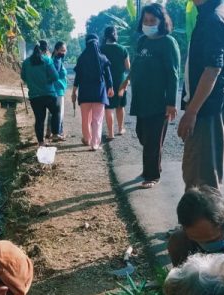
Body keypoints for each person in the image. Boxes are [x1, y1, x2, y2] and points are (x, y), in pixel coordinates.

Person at [177, 0, 224, 191]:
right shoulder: (209, 14)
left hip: (209, 108)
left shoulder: (214, 19)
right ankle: (197, 212)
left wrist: (191, 112)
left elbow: (213, 69)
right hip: (207, 107)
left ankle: (207, 212)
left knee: (204, 180)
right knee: (195, 173)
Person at [118, 3, 180, 189]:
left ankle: (152, 175)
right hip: (141, 100)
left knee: (152, 141)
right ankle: (153, 166)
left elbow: (173, 74)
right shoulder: (142, 41)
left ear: (161, 22)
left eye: (153, 20)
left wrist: (171, 103)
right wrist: (126, 81)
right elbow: (136, 65)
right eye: (145, 20)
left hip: (159, 101)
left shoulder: (168, 43)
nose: (148, 23)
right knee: (142, 135)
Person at [72, 34, 114, 151]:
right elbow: (108, 76)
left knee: (86, 119)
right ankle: (95, 144)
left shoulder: (81, 58)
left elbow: (77, 78)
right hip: (99, 94)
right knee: (97, 120)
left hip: (85, 93)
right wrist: (110, 88)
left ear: (86, 43)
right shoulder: (103, 58)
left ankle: (87, 139)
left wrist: (74, 92)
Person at [21, 40, 59, 147]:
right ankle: (55, 134)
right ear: (45, 50)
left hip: (34, 96)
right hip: (49, 94)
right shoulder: (47, 60)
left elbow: (23, 77)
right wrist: (47, 81)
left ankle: (41, 142)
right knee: (55, 112)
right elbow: (55, 77)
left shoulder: (26, 62)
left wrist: (32, 82)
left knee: (39, 119)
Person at [101, 26, 130, 140]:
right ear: (116, 35)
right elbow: (128, 67)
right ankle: (120, 129)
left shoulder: (100, 48)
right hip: (120, 82)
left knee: (108, 107)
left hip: (106, 82)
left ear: (105, 35)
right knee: (120, 106)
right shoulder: (123, 49)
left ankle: (110, 133)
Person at [45, 41, 68, 141]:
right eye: (62, 50)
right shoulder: (56, 61)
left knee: (52, 112)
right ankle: (57, 133)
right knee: (58, 113)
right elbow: (54, 76)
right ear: (56, 50)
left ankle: (49, 132)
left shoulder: (55, 60)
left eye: (65, 50)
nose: (64, 52)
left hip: (55, 90)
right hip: (57, 90)